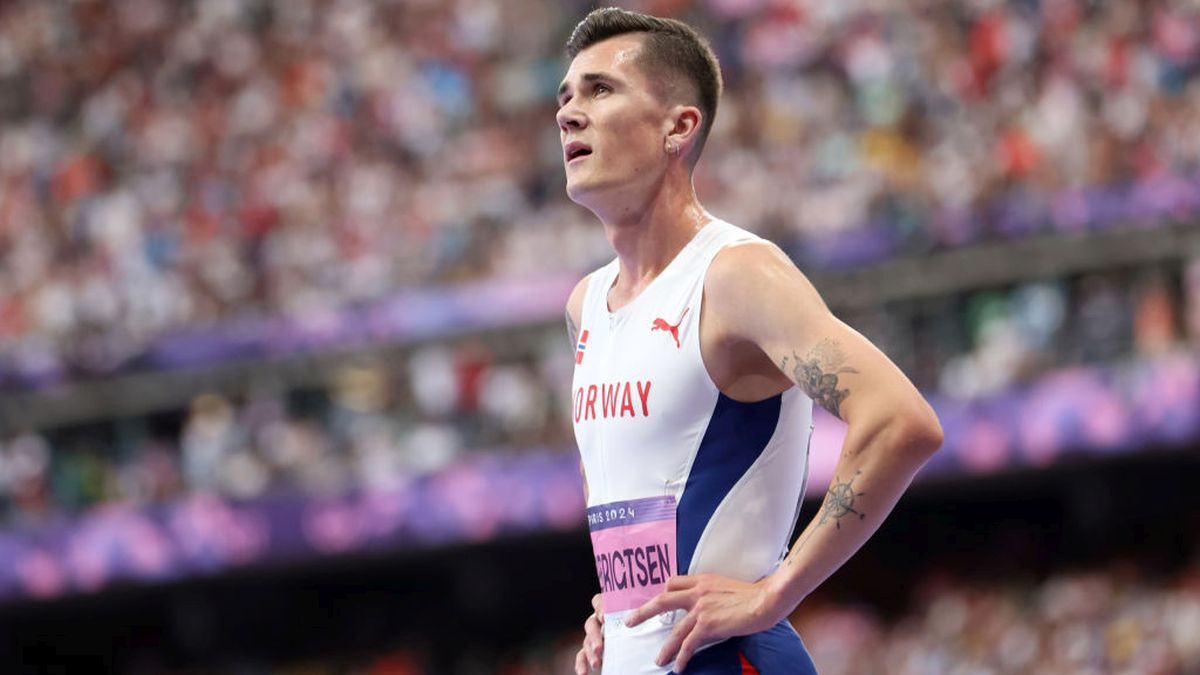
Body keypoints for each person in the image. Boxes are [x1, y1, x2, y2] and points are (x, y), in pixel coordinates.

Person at [558, 8, 943, 674]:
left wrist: (777, 590)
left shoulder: (735, 274)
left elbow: (902, 420)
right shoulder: (585, 306)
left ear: (678, 126)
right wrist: (616, 610)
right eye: (564, 97)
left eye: (599, 90)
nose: (568, 113)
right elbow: (631, 491)